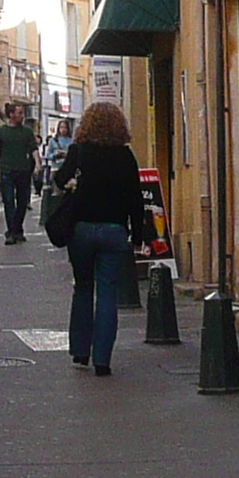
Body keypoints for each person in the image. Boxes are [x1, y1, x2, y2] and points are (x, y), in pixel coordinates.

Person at [58, 101, 143, 376]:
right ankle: (103, 360)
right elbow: (136, 198)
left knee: (83, 287)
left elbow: (60, 179)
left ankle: (81, 351)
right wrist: (139, 235)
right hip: (114, 230)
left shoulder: (78, 151)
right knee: (108, 292)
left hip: (81, 229)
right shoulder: (125, 156)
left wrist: (74, 184)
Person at [0, 102, 39, 243]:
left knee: (22, 202)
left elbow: (33, 149)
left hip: (23, 170)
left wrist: (38, 163)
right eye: (19, 113)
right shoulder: (0, 132)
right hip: (7, 170)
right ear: (11, 114)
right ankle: (12, 232)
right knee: (8, 201)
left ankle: (17, 228)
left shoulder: (27, 131)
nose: (22, 116)